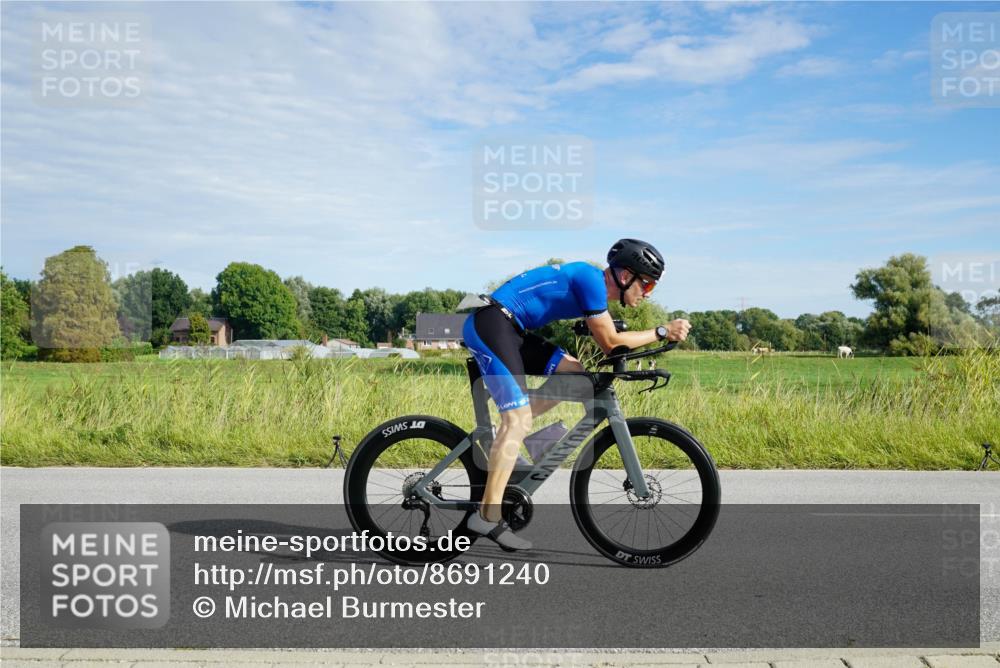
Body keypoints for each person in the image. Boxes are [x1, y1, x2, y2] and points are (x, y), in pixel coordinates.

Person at [461, 239, 691, 550]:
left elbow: (603, 333)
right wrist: (661, 331)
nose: (647, 294)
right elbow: (611, 342)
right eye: (646, 286)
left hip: (512, 329)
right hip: (490, 324)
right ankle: (486, 516)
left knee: (576, 375)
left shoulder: (594, 288)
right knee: (516, 420)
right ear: (625, 277)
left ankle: (514, 444)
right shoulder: (591, 280)